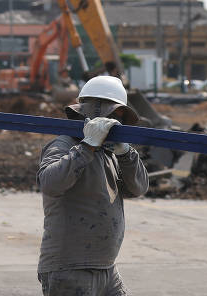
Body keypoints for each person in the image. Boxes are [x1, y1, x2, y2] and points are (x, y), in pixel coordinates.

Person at [37, 75, 149, 296]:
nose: (115, 122)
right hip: (71, 267)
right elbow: (50, 183)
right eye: (113, 114)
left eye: (119, 117)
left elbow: (138, 187)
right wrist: (87, 146)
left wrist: (125, 152)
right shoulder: (64, 145)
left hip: (106, 267)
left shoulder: (110, 152)